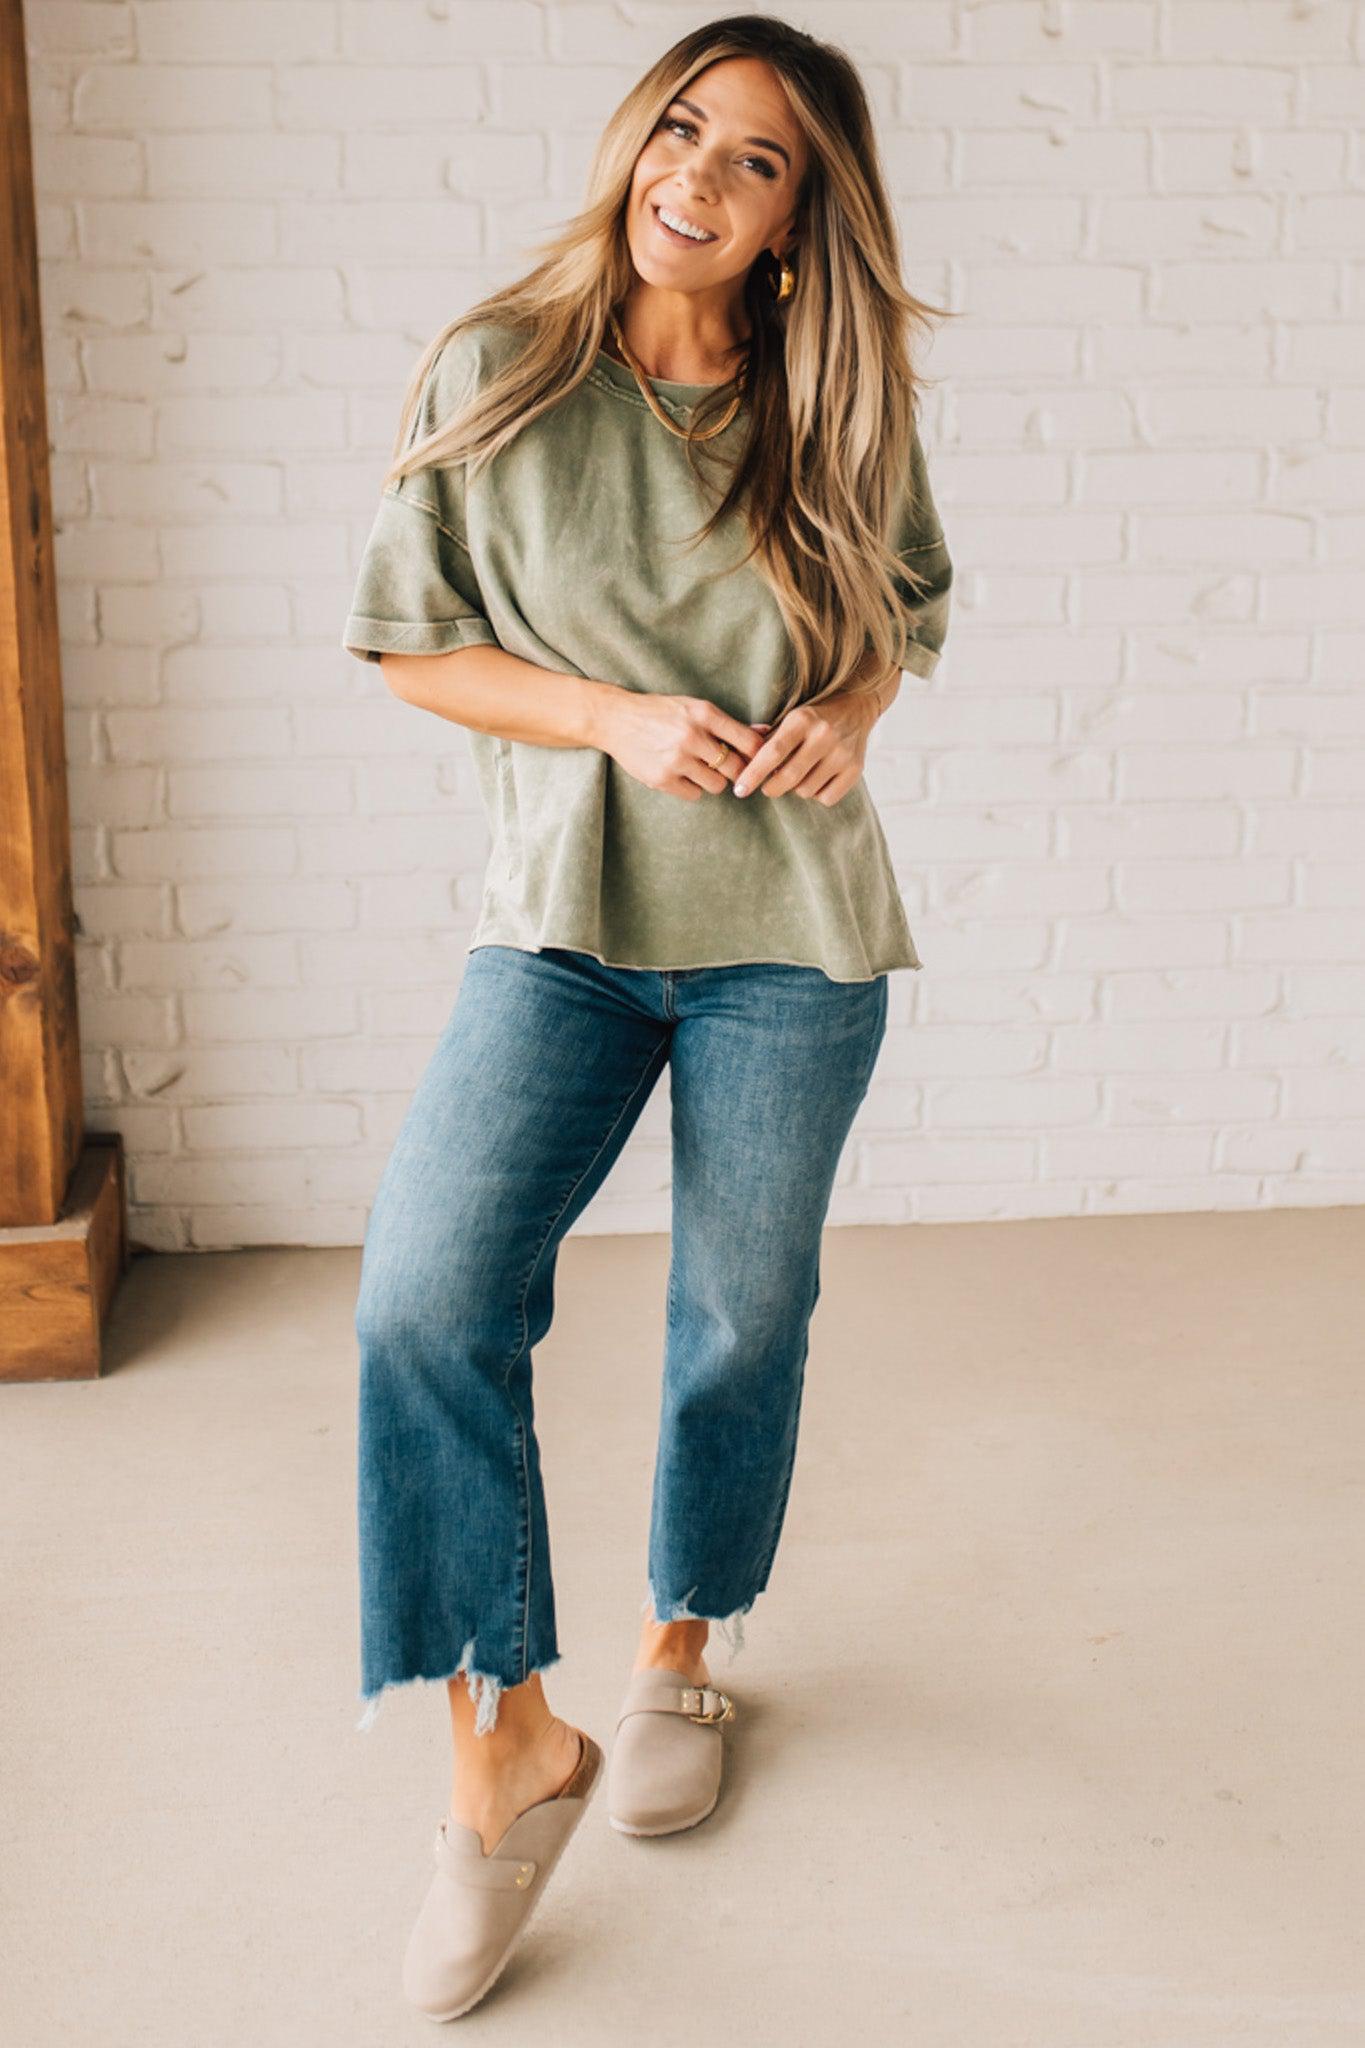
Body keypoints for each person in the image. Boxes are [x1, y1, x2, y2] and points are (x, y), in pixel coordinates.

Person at [341, 12, 954, 2020]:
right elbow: (407, 640)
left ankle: (681, 1641)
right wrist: (609, 716)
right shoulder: (496, 374)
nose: (695, 170)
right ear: (635, 138)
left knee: (735, 1310)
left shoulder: (830, 403)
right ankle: (497, 1741)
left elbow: (904, 619)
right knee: (426, 1297)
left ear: (798, 220)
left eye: (755, 158)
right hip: (563, 927)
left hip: (792, 939)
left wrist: (841, 721)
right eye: (681, 125)